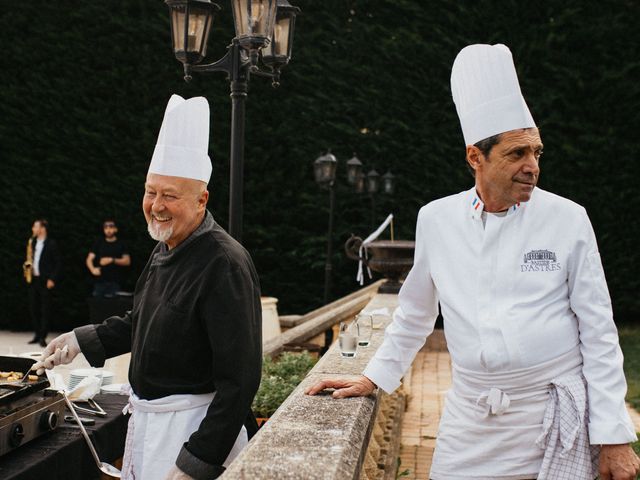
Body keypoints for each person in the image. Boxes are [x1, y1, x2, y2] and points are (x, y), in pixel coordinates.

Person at [306, 44, 640, 480]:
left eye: (536, 152)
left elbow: (598, 331)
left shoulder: (569, 219)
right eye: (516, 154)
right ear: (474, 157)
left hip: (552, 417)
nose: (532, 167)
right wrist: (372, 378)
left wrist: (614, 436)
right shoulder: (437, 220)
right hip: (470, 419)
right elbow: (414, 315)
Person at [35, 95, 263, 480]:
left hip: (191, 432)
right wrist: (79, 340)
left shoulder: (223, 262)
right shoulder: (166, 246)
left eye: (170, 195)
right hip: (153, 428)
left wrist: (194, 462)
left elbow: (240, 382)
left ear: (201, 199)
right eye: (150, 191)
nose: (156, 205)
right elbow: (143, 319)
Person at [25, 219, 61, 347]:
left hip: (45, 280)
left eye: (35, 227)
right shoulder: (32, 242)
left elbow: (58, 263)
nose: (33, 229)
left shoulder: (51, 244)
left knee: (45, 309)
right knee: (33, 307)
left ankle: (42, 337)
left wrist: (52, 279)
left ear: (42, 229)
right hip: (33, 279)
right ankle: (36, 334)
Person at [86, 218, 131, 297]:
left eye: (111, 227)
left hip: (116, 282)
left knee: (114, 306)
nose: (108, 230)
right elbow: (89, 259)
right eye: (106, 227)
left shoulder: (121, 244)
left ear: (116, 229)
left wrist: (112, 260)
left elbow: (127, 261)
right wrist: (92, 269)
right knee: (98, 305)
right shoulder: (99, 243)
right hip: (100, 281)